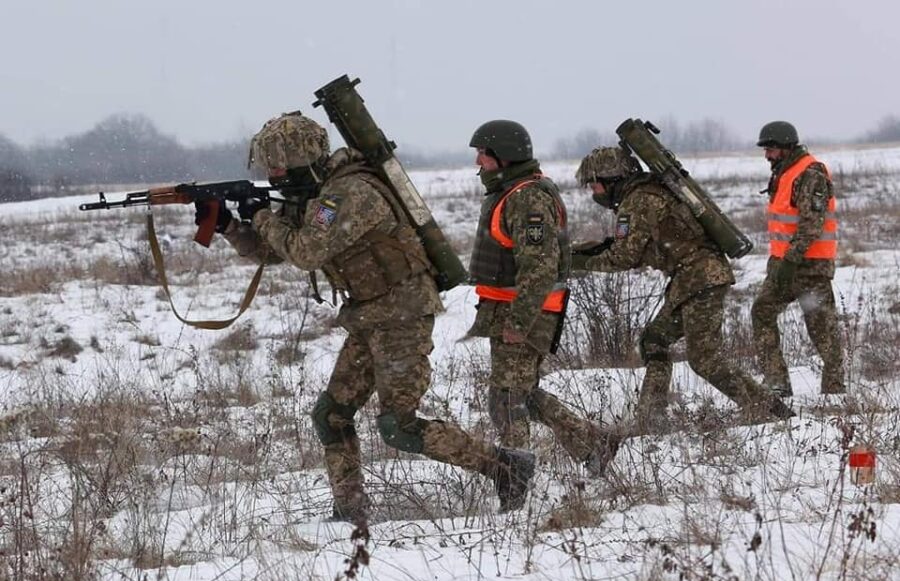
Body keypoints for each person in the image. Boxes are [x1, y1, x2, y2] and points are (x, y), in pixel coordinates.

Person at [203, 111, 536, 521]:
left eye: (277, 167)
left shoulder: (348, 193)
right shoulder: (318, 195)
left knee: (398, 426)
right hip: (369, 316)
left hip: (403, 315)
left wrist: (260, 215)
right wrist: (230, 227)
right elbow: (278, 250)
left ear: (299, 160)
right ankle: (350, 510)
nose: (272, 176)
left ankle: (507, 468)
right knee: (331, 416)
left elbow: (306, 251)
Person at [570, 146, 795, 436]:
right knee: (654, 340)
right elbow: (627, 247)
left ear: (611, 179)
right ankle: (651, 418)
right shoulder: (646, 194)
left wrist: (576, 264)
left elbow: (623, 257)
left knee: (705, 358)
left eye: (594, 184)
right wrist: (578, 253)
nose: (593, 191)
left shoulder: (638, 201)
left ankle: (772, 412)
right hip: (693, 280)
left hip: (700, 279)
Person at [466, 120, 621, 477]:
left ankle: (515, 477)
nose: (478, 161)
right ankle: (594, 445)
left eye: (483, 153)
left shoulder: (528, 198)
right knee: (522, 395)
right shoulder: (513, 193)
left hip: (524, 314)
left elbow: (539, 268)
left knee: (506, 401)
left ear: (504, 156)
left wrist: (520, 321)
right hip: (512, 311)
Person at [751, 121, 845, 397]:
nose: (767, 155)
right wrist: (782, 263)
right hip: (784, 266)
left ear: (786, 147)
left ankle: (835, 391)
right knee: (762, 312)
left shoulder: (810, 173)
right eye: (765, 150)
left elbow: (811, 225)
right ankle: (777, 383)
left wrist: (790, 261)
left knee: (822, 329)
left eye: (770, 149)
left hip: (809, 267)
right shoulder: (784, 172)